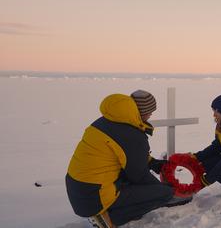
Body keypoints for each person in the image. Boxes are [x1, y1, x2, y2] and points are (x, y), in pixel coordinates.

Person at [65, 90, 186, 228]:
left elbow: (127, 154)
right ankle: (110, 217)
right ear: (142, 112)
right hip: (95, 196)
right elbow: (139, 176)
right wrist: (166, 190)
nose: (151, 115)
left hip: (79, 190)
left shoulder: (105, 122)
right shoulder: (132, 134)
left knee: (134, 182)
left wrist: (153, 163)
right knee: (164, 193)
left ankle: (107, 210)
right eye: (150, 111)